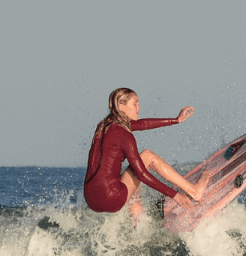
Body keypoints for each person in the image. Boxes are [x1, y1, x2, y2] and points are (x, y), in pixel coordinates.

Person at [83, 87, 208, 219]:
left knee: (131, 177)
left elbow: (142, 124)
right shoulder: (124, 135)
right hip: (112, 198)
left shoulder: (103, 126)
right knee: (147, 157)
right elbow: (142, 174)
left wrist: (176, 120)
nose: (139, 108)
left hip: (91, 199)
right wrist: (174, 195)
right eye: (135, 104)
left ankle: (137, 223)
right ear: (121, 106)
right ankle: (194, 191)